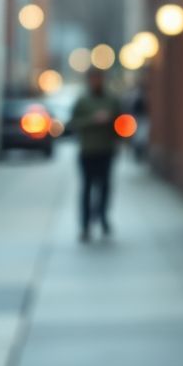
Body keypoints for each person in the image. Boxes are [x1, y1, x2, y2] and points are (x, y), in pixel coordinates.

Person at [70, 68, 122, 242]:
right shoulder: (83, 101)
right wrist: (93, 120)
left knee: (105, 187)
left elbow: (122, 123)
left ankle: (103, 217)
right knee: (87, 188)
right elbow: (72, 123)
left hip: (106, 150)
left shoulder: (112, 100)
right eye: (93, 78)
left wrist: (115, 129)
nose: (96, 81)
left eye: (99, 78)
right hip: (87, 151)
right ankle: (85, 225)